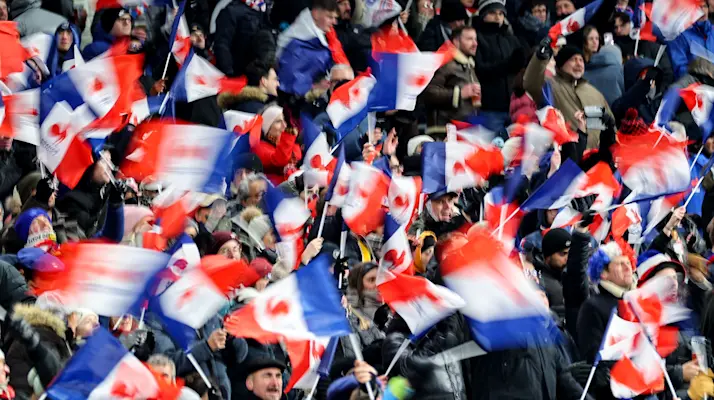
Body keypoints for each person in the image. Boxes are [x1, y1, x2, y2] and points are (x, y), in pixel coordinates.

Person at [524, 40, 612, 149]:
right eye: (573, 60)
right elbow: (530, 83)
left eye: (581, 60)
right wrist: (540, 58)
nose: (579, 64)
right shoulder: (550, 85)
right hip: (565, 159)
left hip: (595, 159)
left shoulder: (594, 92)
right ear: (561, 64)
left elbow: (609, 123)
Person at [276, 0, 351, 98]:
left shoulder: (322, 39)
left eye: (335, 18)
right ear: (315, 14)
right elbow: (289, 81)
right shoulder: (296, 43)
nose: (334, 22)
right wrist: (314, 87)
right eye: (329, 17)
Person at [475, 0, 528, 133]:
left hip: (514, 108)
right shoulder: (476, 38)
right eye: (492, 12)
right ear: (483, 14)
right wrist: (507, 65)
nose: (497, 17)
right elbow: (480, 70)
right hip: (490, 108)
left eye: (501, 13)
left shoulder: (511, 38)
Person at [421, 25, 480, 139]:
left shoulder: (468, 65)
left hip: (464, 129)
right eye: (469, 39)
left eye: (475, 39)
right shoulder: (445, 63)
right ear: (456, 41)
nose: (475, 43)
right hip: (445, 131)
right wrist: (459, 93)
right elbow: (429, 92)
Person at [212, 0, 275, 77]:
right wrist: (229, 72)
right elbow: (222, 44)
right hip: (236, 73)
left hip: (256, 73)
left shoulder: (262, 10)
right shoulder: (231, 11)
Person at [253, 105, 302, 185]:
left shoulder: (283, 141)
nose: (284, 125)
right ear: (267, 127)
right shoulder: (259, 147)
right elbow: (281, 160)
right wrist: (288, 136)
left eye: (284, 121)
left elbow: (297, 155)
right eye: (278, 121)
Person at [668, 0, 714, 80]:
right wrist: (701, 74)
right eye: (698, 7)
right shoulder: (680, 36)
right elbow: (680, 69)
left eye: (705, 6)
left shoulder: (712, 31)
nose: (703, 10)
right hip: (694, 85)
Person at [582, 26, 625, 105]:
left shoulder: (609, 62)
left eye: (597, 38)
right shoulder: (580, 65)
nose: (595, 42)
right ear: (585, 42)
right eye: (591, 39)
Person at [536, 228, 571, 319]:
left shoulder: (574, 276)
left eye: (569, 253)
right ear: (548, 256)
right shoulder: (539, 281)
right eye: (562, 254)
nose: (567, 258)